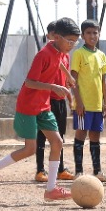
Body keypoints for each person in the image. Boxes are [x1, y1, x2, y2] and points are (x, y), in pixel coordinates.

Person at [0, 17, 78, 201]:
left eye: (75, 42)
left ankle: (51, 190)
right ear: (57, 37)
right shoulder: (43, 55)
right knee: (30, 149)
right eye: (70, 41)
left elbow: (58, 62)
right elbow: (30, 82)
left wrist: (67, 77)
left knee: (57, 142)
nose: (72, 45)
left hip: (44, 105)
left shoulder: (59, 51)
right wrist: (53, 87)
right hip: (28, 106)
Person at [68, 19, 106, 184]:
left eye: (95, 32)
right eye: (88, 33)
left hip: (97, 105)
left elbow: (103, 81)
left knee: (95, 136)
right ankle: (79, 171)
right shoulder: (79, 54)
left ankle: (98, 171)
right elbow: (73, 80)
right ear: (82, 35)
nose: (92, 36)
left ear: (99, 34)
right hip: (83, 105)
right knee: (81, 134)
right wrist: (78, 102)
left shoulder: (101, 55)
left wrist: (105, 103)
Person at [34, 30, 73, 184]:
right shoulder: (46, 54)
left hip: (60, 100)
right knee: (42, 136)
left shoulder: (66, 55)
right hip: (47, 99)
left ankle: (60, 169)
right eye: (53, 36)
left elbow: (66, 80)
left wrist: (69, 97)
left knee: (60, 136)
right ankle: (40, 170)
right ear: (51, 37)